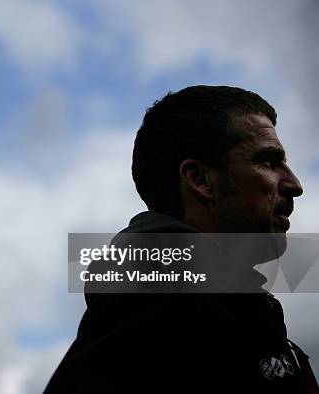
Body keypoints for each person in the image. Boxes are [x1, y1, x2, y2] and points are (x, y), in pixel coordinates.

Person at [45, 86, 319, 393]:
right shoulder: (156, 295)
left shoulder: (213, 298)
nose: (295, 185)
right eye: (268, 162)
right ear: (200, 180)